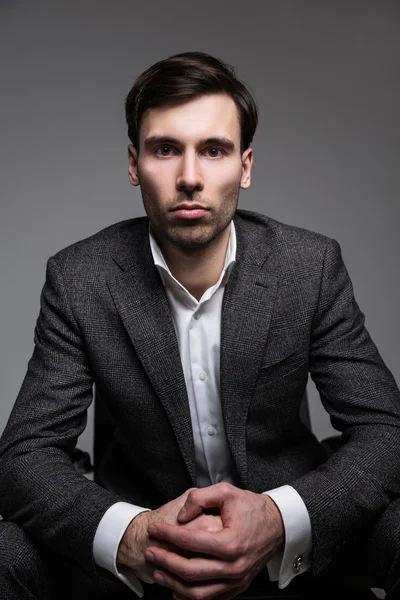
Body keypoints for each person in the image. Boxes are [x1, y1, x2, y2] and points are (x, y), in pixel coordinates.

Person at [0, 51, 400, 600]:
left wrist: (280, 520)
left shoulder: (308, 267)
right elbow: (24, 457)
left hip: (291, 559)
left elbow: (388, 434)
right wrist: (134, 534)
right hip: (143, 565)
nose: (190, 177)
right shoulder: (80, 278)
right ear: (134, 163)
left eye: (214, 150)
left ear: (246, 165)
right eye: (166, 149)